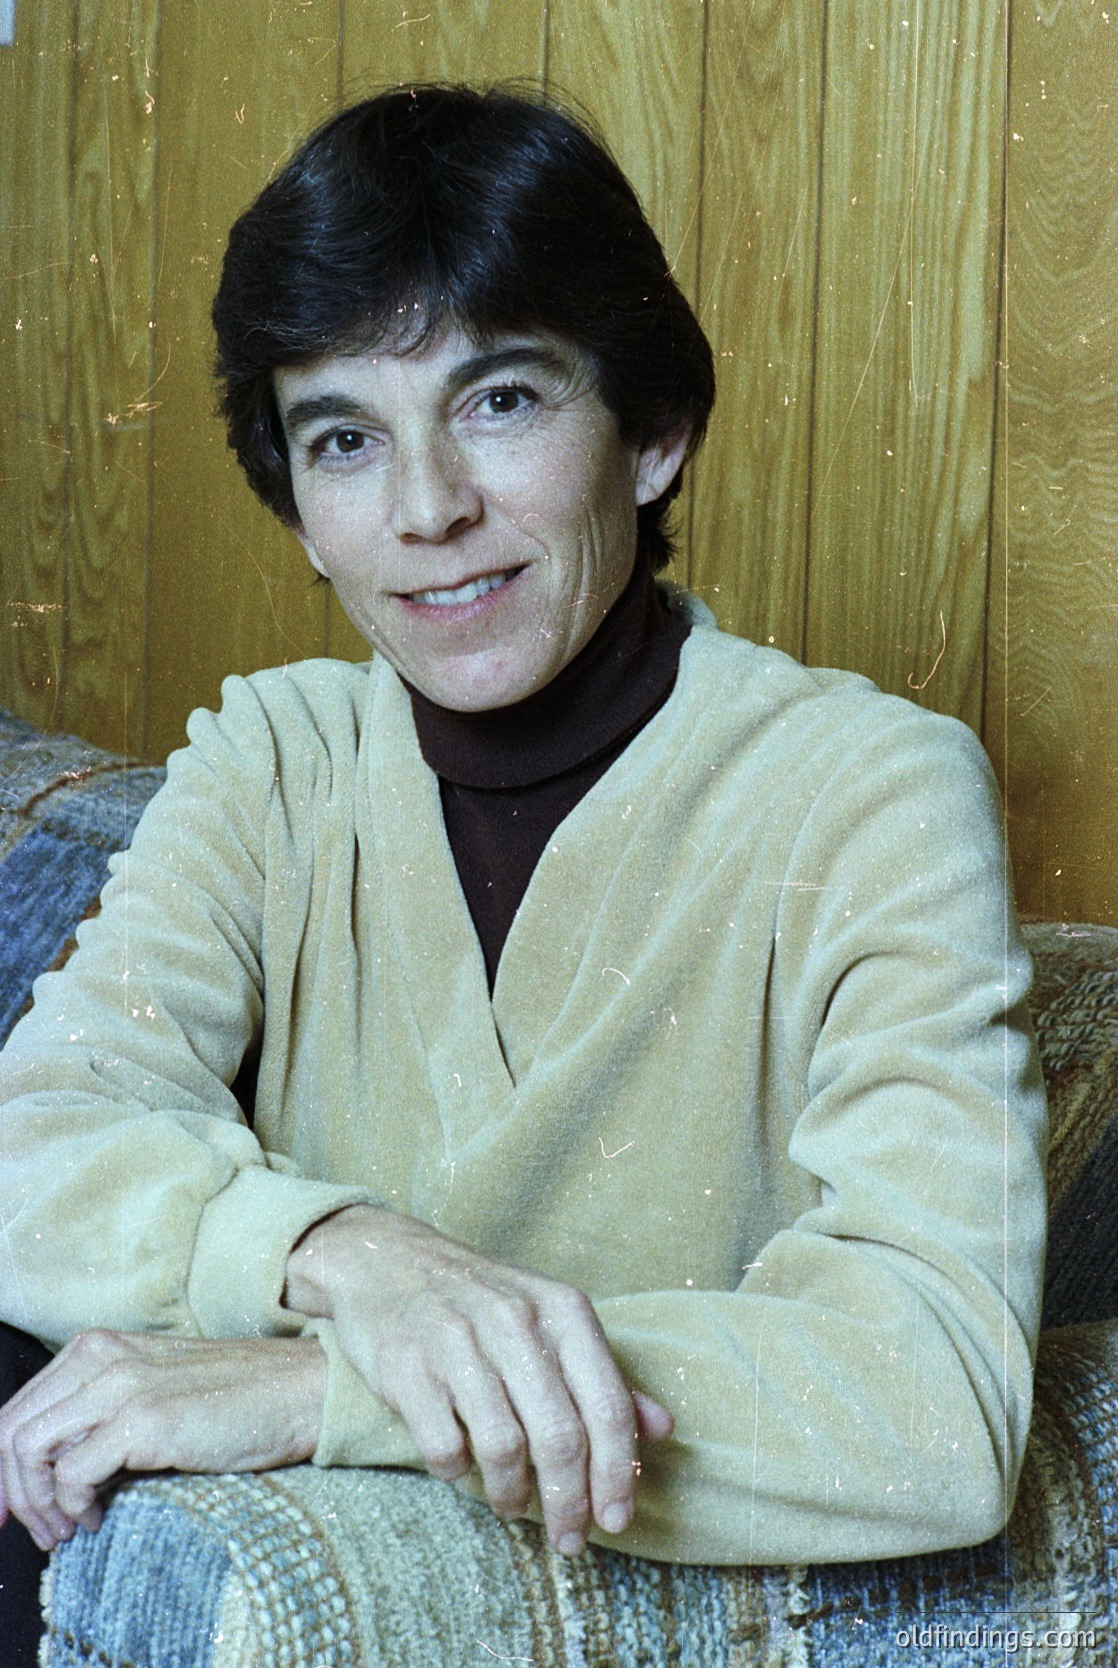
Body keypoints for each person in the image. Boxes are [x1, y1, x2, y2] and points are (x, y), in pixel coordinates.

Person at [0, 83, 1046, 1658]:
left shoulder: (865, 792)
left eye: (499, 401)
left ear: (652, 433)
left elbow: (932, 1396)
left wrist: (333, 1384)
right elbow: (35, 1148)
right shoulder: (277, 757)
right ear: (299, 513)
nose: (427, 509)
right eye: (344, 439)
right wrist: (349, 1259)